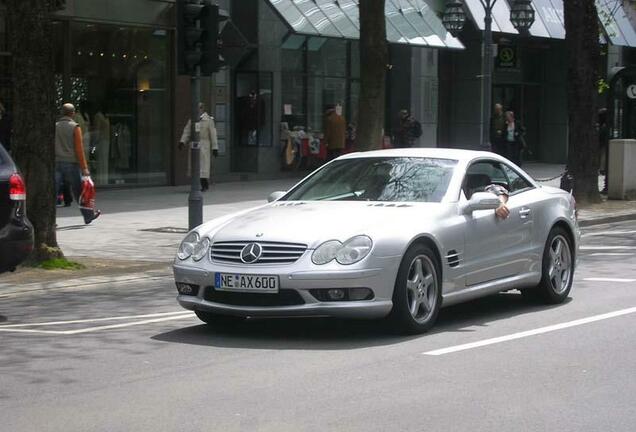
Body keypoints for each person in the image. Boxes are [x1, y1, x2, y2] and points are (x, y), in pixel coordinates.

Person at [55, 103, 101, 224]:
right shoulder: (75, 127)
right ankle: (88, 216)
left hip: (57, 162)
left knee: (53, 192)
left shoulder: (55, 126)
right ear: (73, 113)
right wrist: (84, 167)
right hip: (71, 163)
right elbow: (79, 149)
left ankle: (50, 220)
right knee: (80, 191)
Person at [179, 102, 219, 192]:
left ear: (202, 109)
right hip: (194, 145)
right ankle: (196, 185)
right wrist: (182, 142)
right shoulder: (192, 119)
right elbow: (187, 131)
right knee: (194, 166)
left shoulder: (208, 120)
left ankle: (204, 185)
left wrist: (215, 147)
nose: (197, 110)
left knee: (203, 167)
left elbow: (213, 134)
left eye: (199, 108)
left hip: (204, 145)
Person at [598, 108, 609, 194]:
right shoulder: (604, 126)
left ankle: (606, 187)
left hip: (604, 148)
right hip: (603, 148)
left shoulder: (603, 127)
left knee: (604, 162)